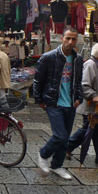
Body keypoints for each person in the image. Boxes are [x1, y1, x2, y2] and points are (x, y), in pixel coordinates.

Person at [33, 27, 83, 180]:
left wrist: (78, 98)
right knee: (60, 136)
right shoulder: (48, 57)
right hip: (53, 102)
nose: (70, 42)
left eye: (73, 39)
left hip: (70, 103)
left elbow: (78, 81)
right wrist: (39, 100)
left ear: (76, 41)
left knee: (65, 138)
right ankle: (43, 153)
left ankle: (57, 165)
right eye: (68, 38)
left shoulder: (78, 59)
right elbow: (37, 80)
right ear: (62, 38)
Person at [66, 43, 98, 166]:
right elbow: (84, 84)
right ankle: (67, 147)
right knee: (87, 130)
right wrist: (93, 95)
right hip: (93, 107)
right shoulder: (90, 65)